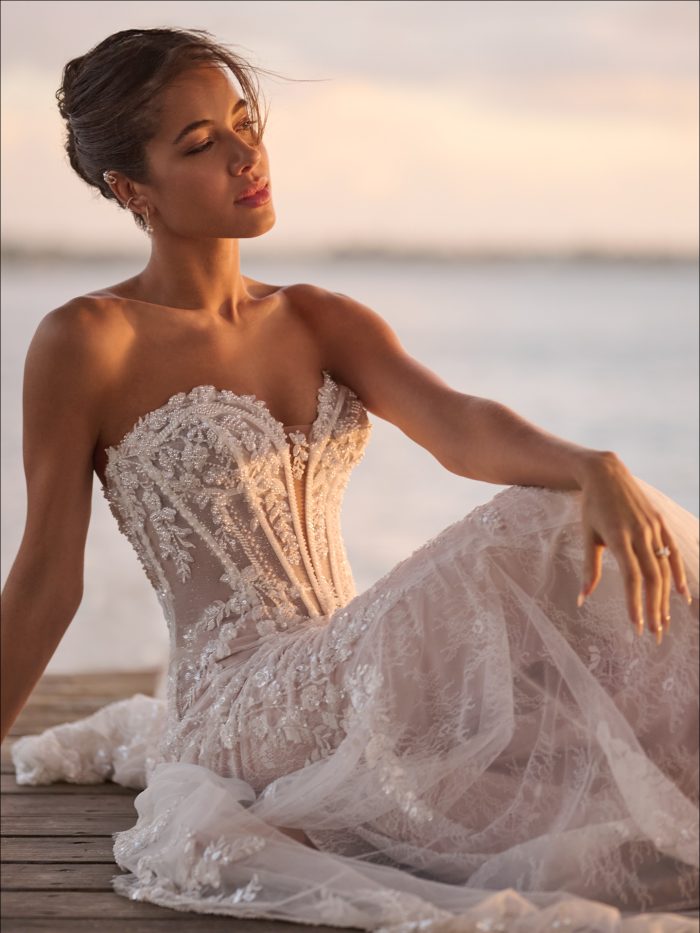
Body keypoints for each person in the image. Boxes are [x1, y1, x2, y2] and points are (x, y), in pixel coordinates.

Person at [1, 26, 697, 933]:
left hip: (346, 667)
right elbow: (47, 577)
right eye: (201, 143)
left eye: (245, 123)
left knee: (577, 525)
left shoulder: (315, 316)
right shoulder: (91, 339)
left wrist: (591, 463)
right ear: (133, 189)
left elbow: (459, 425)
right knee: (537, 526)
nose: (246, 155)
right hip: (238, 707)